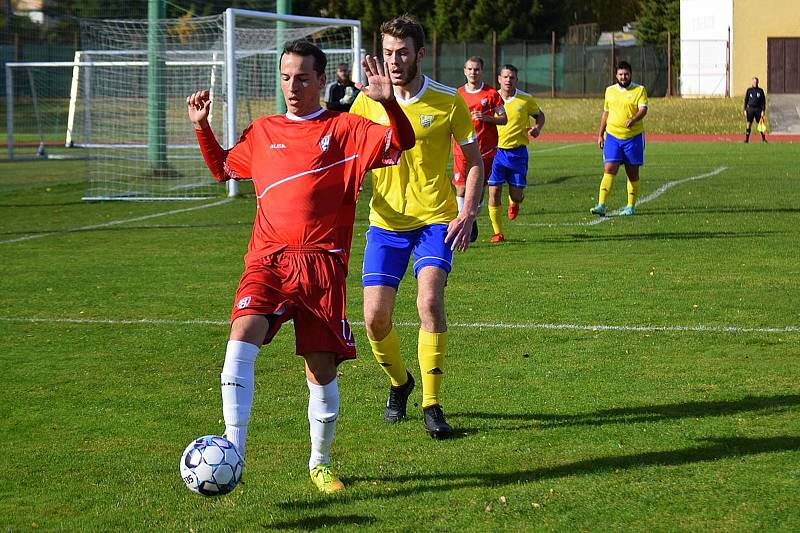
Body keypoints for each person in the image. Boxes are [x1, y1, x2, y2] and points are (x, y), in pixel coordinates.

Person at [186, 40, 414, 493]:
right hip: (267, 260)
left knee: (321, 370)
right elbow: (223, 169)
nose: (293, 87)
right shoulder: (263, 129)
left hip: (322, 266)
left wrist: (389, 105)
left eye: (303, 78)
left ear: (321, 80)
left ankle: (320, 462)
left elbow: (401, 143)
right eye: (286, 77)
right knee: (240, 337)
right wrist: (202, 127)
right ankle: (233, 452)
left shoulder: (347, 128)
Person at [349, 14, 483, 439]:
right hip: (385, 222)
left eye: (402, 52)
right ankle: (399, 383)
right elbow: (349, 157)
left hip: (434, 219)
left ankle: (431, 403)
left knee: (429, 301)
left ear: (420, 54)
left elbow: (474, 162)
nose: (394, 60)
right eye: (387, 52)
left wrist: (468, 212)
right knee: (374, 319)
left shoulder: (447, 101)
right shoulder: (366, 102)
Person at [486, 64, 545, 243]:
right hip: (496, 153)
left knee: (517, 194)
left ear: (516, 80)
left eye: (511, 77)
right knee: (494, 192)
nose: (508, 80)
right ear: (499, 79)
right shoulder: (491, 98)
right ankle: (498, 233)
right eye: (505, 77)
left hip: (518, 153)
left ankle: (515, 202)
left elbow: (540, 116)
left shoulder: (525, 99)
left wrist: (537, 128)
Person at [452, 56, 507, 242]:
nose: (473, 72)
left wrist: (486, 118)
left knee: (478, 190)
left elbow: (503, 118)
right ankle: (464, 221)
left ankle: (471, 216)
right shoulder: (457, 94)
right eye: (469, 69)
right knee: (460, 188)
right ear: (464, 71)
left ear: (481, 71)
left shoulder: (491, 94)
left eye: (476, 69)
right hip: (461, 148)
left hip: (485, 149)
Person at [590, 60, 648, 217]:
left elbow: (643, 110)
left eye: (626, 74)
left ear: (630, 74)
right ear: (616, 75)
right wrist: (600, 134)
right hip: (612, 137)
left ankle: (630, 206)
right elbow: (606, 113)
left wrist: (634, 119)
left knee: (632, 173)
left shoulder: (639, 90)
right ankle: (601, 204)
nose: (623, 77)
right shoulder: (609, 91)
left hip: (633, 137)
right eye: (621, 74)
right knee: (609, 168)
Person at [743, 76, 767, 143]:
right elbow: (746, 100)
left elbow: (763, 101)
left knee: (760, 124)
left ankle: (763, 139)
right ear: (752, 82)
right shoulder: (749, 90)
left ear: (758, 82)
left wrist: (763, 110)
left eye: (756, 82)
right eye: (754, 82)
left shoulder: (760, 91)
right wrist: (745, 109)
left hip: (758, 109)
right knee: (748, 123)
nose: (755, 83)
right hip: (750, 109)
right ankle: (747, 139)